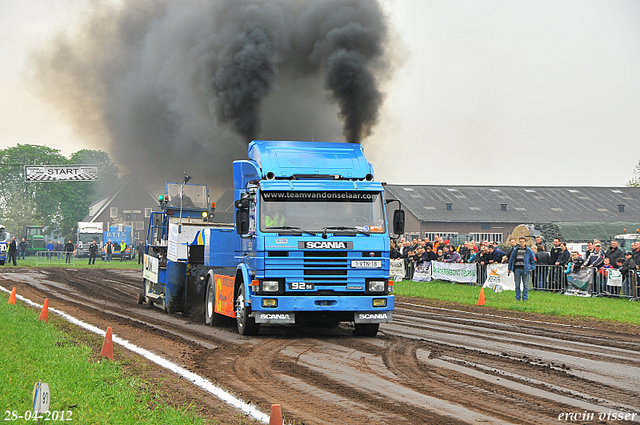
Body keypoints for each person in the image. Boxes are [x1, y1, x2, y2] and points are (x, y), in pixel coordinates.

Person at [508, 237, 536, 301]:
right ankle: (517, 298)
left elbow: (533, 260)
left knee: (525, 285)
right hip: (517, 269)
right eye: (520, 241)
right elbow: (511, 259)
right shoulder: (515, 250)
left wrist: (531, 268)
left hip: (525, 269)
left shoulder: (529, 250)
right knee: (517, 285)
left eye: (523, 241)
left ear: (525, 242)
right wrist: (509, 268)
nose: (521, 243)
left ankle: (525, 298)